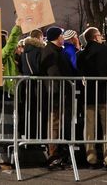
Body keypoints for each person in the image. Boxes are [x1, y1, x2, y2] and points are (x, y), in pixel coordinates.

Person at [76, 27, 107, 170]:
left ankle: (91, 158)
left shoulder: (81, 54)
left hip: (89, 96)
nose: (101, 37)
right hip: (106, 95)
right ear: (95, 37)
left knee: (89, 128)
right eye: (100, 35)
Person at [40, 26, 75, 170]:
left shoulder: (56, 51)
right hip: (57, 94)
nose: (63, 37)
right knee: (55, 124)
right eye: (61, 35)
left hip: (60, 93)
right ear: (57, 37)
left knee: (58, 124)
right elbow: (54, 75)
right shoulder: (51, 52)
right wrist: (60, 91)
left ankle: (57, 153)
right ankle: (53, 155)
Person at [0, 18, 23, 172]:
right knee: (3, 128)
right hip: (3, 94)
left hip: (9, 93)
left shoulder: (7, 56)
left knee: (9, 128)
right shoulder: (0, 53)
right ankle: (1, 159)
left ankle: (7, 157)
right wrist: (17, 27)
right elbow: (10, 46)